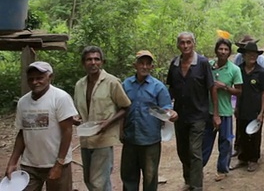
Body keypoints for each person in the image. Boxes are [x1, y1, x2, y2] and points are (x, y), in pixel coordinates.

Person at [5, 62, 77, 191]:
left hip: (55, 162)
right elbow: (22, 133)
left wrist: (59, 164)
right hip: (30, 165)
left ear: (50, 77)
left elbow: (67, 130)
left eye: (39, 78)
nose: (35, 82)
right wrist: (12, 162)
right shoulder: (23, 102)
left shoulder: (60, 98)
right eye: (31, 79)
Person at [74, 46, 131, 191]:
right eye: (89, 59)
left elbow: (125, 107)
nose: (93, 62)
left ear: (102, 62)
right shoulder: (80, 85)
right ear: (83, 63)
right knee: (89, 180)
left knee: (98, 182)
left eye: (96, 59)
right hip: (86, 138)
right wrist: (77, 118)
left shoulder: (112, 82)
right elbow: (81, 110)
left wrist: (108, 123)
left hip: (104, 138)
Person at [166, 32, 217, 191]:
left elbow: (211, 88)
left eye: (188, 42)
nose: (185, 46)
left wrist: (215, 113)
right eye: (182, 43)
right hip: (180, 116)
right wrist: (166, 108)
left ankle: (196, 186)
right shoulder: (174, 64)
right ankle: (188, 180)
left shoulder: (202, 63)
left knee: (195, 151)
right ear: (178, 45)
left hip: (198, 115)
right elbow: (171, 89)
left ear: (193, 44)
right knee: (183, 151)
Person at [121, 51, 178, 191]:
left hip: (150, 140)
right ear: (135, 65)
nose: (144, 66)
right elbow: (120, 110)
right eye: (141, 63)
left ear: (152, 67)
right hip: (130, 139)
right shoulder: (126, 85)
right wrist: (120, 131)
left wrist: (171, 114)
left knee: (150, 176)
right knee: (128, 177)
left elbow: (166, 108)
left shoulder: (158, 87)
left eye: (148, 64)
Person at [202, 38, 242, 182]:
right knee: (205, 142)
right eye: (221, 49)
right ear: (216, 50)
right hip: (209, 111)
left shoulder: (234, 70)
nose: (223, 52)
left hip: (225, 112)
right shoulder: (208, 66)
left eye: (226, 49)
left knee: (225, 142)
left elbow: (238, 91)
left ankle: (222, 169)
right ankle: (197, 168)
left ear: (230, 52)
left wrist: (224, 87)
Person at [231, 42, 264, 172]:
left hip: (255, 109)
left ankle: (253, 159)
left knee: (254, 135)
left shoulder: (261, 72)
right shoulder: (238, 70)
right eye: (249, 54)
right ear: (244, 55)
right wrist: (235, 107)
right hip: (241, 108)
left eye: (254, 54)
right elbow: (235, 90)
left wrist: (262, 112)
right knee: (241, 133)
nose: (252, 57)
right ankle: (242, 158)